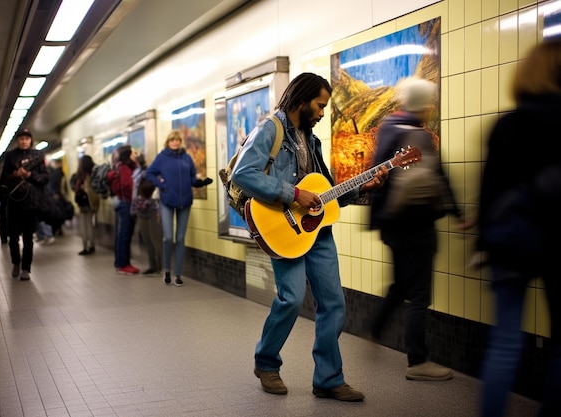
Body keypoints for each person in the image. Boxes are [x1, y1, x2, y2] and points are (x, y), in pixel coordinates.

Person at [231, 72, 387, 401]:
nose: (322, 112)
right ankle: (266, 363)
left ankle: (329, 379)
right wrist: (292, 194)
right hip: (282, 229)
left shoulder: (311, 139)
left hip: (318, 232)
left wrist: (362, 187)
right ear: (302, 100)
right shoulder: (271, 129)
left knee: (333, 304)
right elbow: (243, 174)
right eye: (319, 105)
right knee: (290, 298)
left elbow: (325, 193)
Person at [477, 40, 561, 417]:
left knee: (506, 341)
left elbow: (489, 193)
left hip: (509, 242)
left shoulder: (507, 125)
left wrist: (483, 244)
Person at [368, 76, 465, 381]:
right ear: (424, 104)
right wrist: (457, 213)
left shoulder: (388, 128)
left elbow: (377, 173)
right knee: (420, 294)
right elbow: (438, 175)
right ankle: (417, 361)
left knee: (399, 284)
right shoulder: (418, 136)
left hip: (392, 223)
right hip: (417, 224)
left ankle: (375, 326)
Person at [146, 130, 213, 286]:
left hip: (185, 202)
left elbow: (191, 179)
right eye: (172, 140)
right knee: (168, 237)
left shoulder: (187, 157)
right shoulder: (162, 157)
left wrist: (201, 183)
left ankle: (178, 274)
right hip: (167, 201)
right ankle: (167, 270)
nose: (175, 142)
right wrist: (162, 185)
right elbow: (150, 174)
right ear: (168, 142)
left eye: (177, 140)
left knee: (181, 238)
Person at [0, 128, 49, 281]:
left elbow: (45, 179)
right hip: (14, 202)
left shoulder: (37, 156)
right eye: (21, 138)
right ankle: (16, 262)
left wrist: (29, 175)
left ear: (30, 140)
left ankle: (26, 268)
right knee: (13, 237)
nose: (24, 141)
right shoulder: (10, 156)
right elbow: (2, 179)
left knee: (28, 237)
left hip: (31, 203)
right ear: (17, 140)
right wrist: (14, 175)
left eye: (27, 138)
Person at [109, 144, 140, 275]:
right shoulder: (125, 168)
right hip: (126, 203)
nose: (136, 155)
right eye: (133, 153)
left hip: (122, 202)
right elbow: (128, 186)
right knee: (125, 234)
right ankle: (123, 264)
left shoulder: (122, 166)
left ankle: (120, 263)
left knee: (122, 234)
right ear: (128, 155)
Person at [131, 154, 162, 274]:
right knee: (147, 239)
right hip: (141, 210)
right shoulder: (136, 175)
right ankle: (152, 265)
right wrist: (134, 210)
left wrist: (159, 211)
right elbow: (134, 194)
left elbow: (159, 194)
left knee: (155, 239)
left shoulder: (155, 175)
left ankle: (160, 265)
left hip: (153, 210)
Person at [74, 155, 100, 255]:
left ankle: (85, 246)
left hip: (82, 202)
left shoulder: (80, 175)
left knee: (84, 225)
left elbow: (76, 189)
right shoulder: (93, 173)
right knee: (90, 224)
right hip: (91, 202)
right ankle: (92, 245)